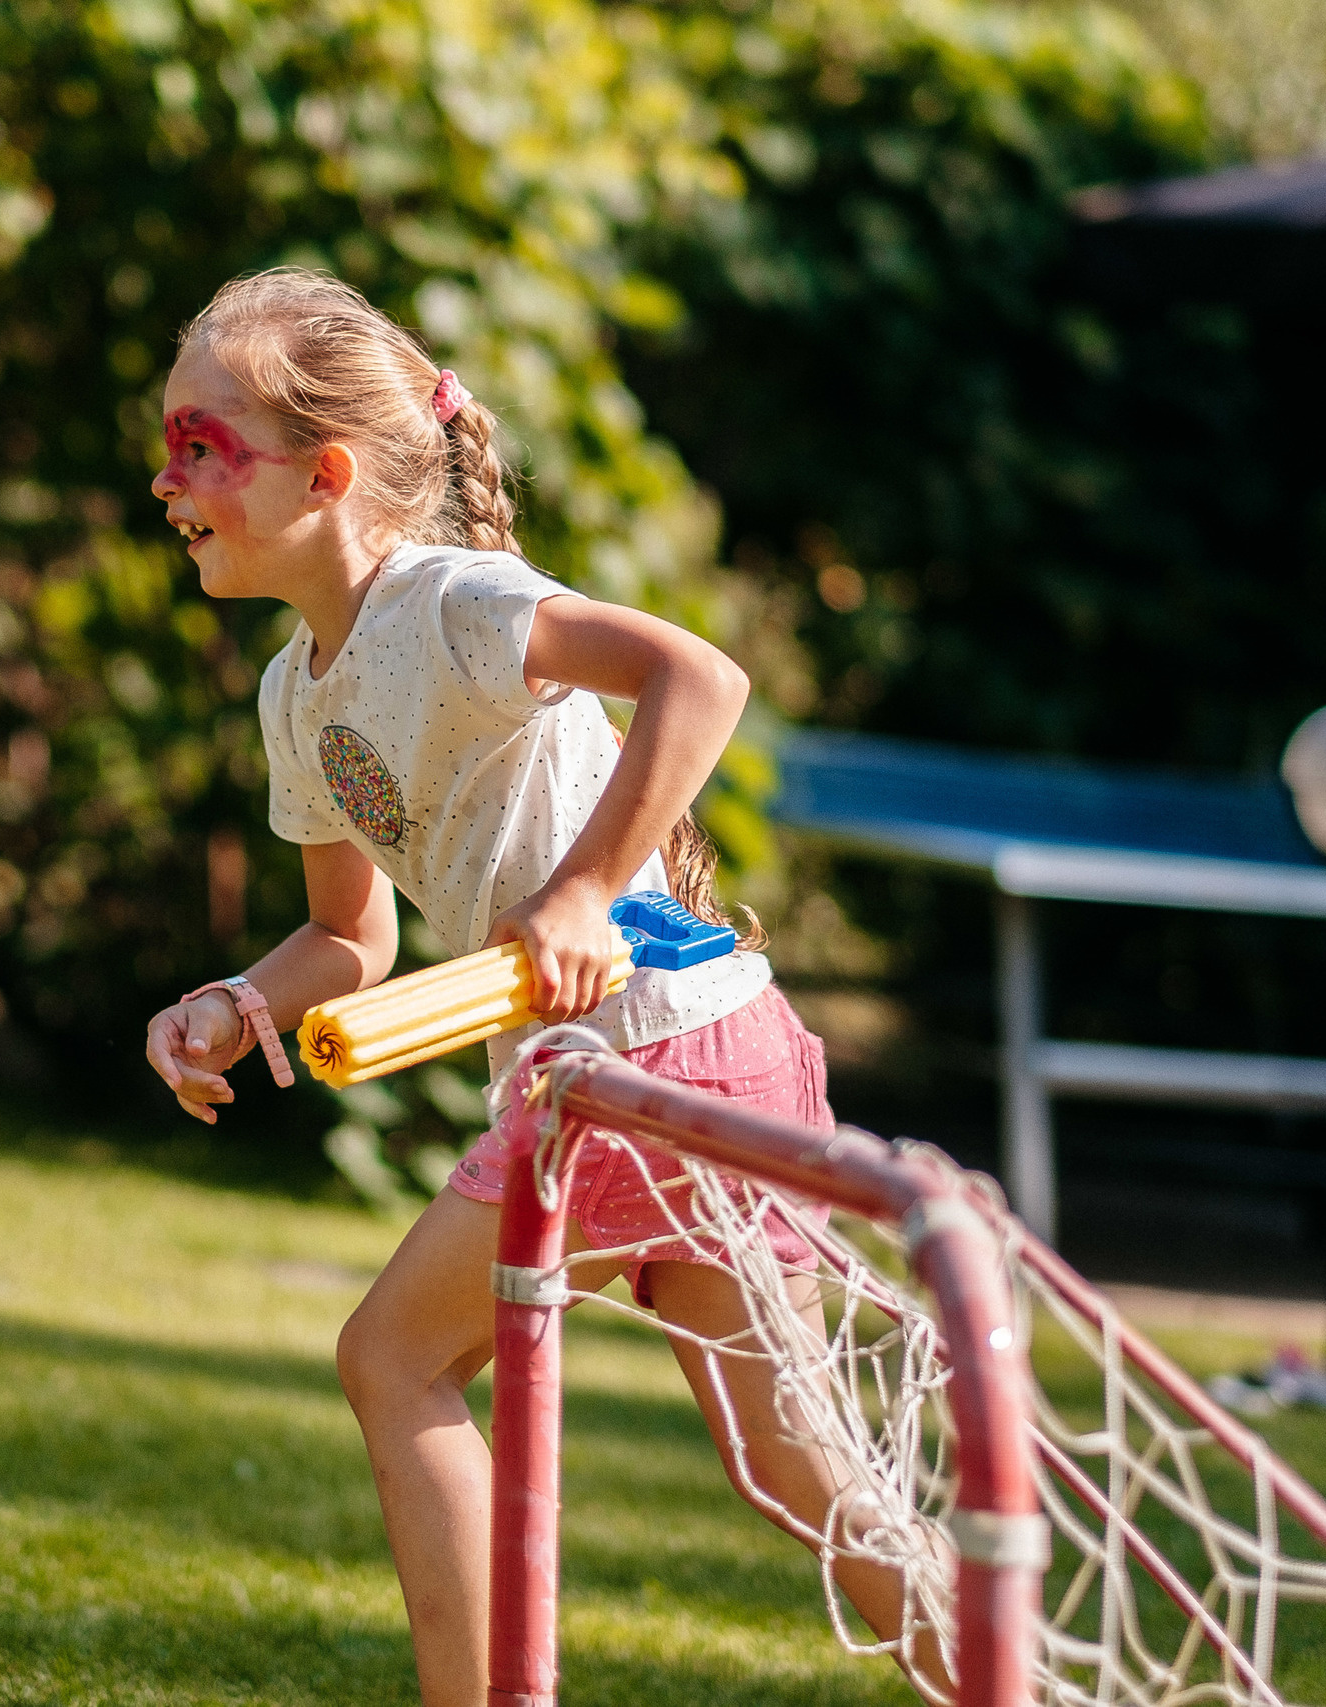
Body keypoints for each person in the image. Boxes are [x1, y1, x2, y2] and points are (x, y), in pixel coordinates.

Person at [140, 269, 945, 1705]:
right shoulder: (297, 692)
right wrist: (240, 1004)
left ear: (325, 474)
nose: (166, 479)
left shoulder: (450, 603)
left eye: (203, 447)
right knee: (794, 1469)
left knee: (394, 1359)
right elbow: (353, 944)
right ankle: (1019, 1680)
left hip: (653, 1056)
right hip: (675, 1056)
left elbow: (699, 681)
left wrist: (582, 891)